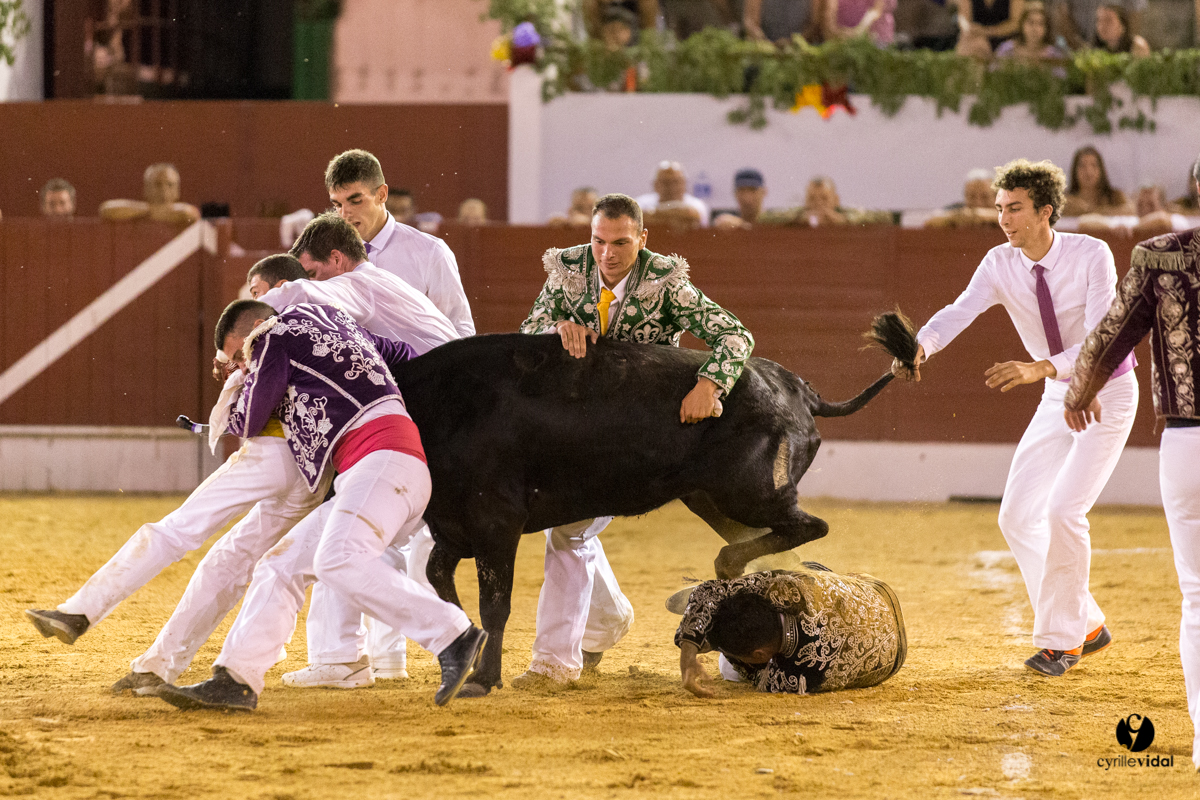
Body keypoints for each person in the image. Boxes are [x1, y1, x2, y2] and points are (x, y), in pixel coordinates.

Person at [152, 299, 488, 712]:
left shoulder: (274, 335)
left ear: (258, 327)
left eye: (242, 355)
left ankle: (453, 634)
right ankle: (236, 679)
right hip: (378, 471)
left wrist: (231, 399)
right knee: (280, 564)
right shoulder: (340, 328)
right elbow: (407, 354)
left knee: (337, 560)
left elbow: (251, 420)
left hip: (382, 462)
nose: (244, 364)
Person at [24, 257, 328, 696]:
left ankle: (80, 612)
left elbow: (249, 419)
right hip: (313, 473)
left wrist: (237, 384)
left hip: (276, 452)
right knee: (229, 561)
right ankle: (158, 667)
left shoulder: (276, 332)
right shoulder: (327, 320)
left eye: (259, 290)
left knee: (177, 529)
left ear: (280, 288)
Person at [893, 158, 1137, 677]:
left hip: (1107, 390)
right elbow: (961, 310)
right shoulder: (998, 262)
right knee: (1017, 515)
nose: (1004, 219)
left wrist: (1039, 368)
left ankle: (1062, 641)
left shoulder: (1091, 253)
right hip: (1055, 394)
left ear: (1045, 211)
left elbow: (1101, 337)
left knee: (1065, 511)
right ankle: (1087, 623)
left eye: (1015, 209)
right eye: (1000, 208)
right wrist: (921, 346)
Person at [515, 192, 755, 685]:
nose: (607, 254)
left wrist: (709, 384)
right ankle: (605, 622)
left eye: (621, 242)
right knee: (565, 524)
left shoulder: (667, 282)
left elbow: (735, 335)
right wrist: (557, 326)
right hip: (580, 427)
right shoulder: (566, 270)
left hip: (644, 436)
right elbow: (528, 329)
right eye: (599, 241)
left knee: (568, 525)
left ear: (643, 239)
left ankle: (555, 663)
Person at [262, 213, 459, 689]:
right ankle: (376, 658)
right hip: (444, 423)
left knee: (341, 532)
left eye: (309, 269)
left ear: (336, 260)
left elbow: (299, 296)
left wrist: (249, 315)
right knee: (370, 539)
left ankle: (346, 656)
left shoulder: (358, 283)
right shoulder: (384, 285)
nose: (306, 280)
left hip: (430, 426)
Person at [1063, 157, 1200, 765]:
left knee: (1199, 598)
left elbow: (1109, 335)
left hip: (1190, 445)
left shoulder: (1164, 256)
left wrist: (1078, 392)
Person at [675, 565, 905, 696]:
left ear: (760, 654)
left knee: (732, 672)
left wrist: (714, 645)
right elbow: (708, 591)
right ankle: (721, 611)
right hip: (880, 592)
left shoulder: (802, 674)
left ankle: (712, 619)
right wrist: (690, 654)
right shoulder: (786, 588)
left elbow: (758, 676)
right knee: (805, 573)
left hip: (893, 653)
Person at [324, 149, 474, 337]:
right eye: (337, 205)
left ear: (381, 195)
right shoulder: (327, 253)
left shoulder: (431, 252)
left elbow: (459, 330)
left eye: (355, 201)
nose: (344, 214)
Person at [99, 163, 201, 224]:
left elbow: (190, 214)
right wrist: (153, 210)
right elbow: (106, 210)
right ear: (146, 189)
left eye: (170, 185)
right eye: (158, 184)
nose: (164, 190)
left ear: (177, 190)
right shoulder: (135, 210)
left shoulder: (185, 211)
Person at [1061, 145, 1134, 217]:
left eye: (1094, 165)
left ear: (1101, 170)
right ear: (1074, 171)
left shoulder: (1115, 196)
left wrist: (1089, 210)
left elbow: (1131, 210)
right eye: (1082, 166)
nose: (1088, 171)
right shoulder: (1066, 200)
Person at [636, 161, 710, 229]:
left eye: (676, 182)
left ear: (684, 183)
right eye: (666, 182)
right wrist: (677, 215)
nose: (672, 187)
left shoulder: (697, 204)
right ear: (655, 184)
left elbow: (694, 215)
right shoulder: (642, 202)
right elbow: (636, 218)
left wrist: (654, 214)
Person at [1050, 0, 1143, 50]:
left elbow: (1136, 12)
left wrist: (1127, 45)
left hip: (1120, 48)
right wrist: (1082, 50)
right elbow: (1061, 13)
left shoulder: (1138, 46)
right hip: (1078, 47)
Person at [925, 168, 1002, 228]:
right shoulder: (958, 209)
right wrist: (956, 217)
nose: (978, 202)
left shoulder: (1005, 210)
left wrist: (984, 216)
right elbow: (930, 221)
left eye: (985, 197)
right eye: (972, 197)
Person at [994, 3, 1065, 62]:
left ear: (1047, 28)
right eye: (1031, 22)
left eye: (1040, 24)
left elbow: (1061, 77)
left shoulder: (1054, 55)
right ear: (1022, 25)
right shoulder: (1007, 49)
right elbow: (994, 73)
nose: (1035, 28)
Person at [955, 0, 1025, 58]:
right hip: (977, 36)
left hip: (1007, 36)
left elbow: (1016, 23)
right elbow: (963, 19)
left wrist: (987, 31)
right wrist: (969, 29)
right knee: (974, 44)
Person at [819, 0, 897, 45]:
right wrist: (834, 31)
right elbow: (829, 11)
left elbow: (876, 11)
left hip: (876, 38)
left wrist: (857, 32)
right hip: (839, 38)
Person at [743, 0, 820, 45]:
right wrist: (767, 45)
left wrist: (792, 44)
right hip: (764, 55)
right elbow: (750, 22)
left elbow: (815, 24)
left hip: (801, 53)